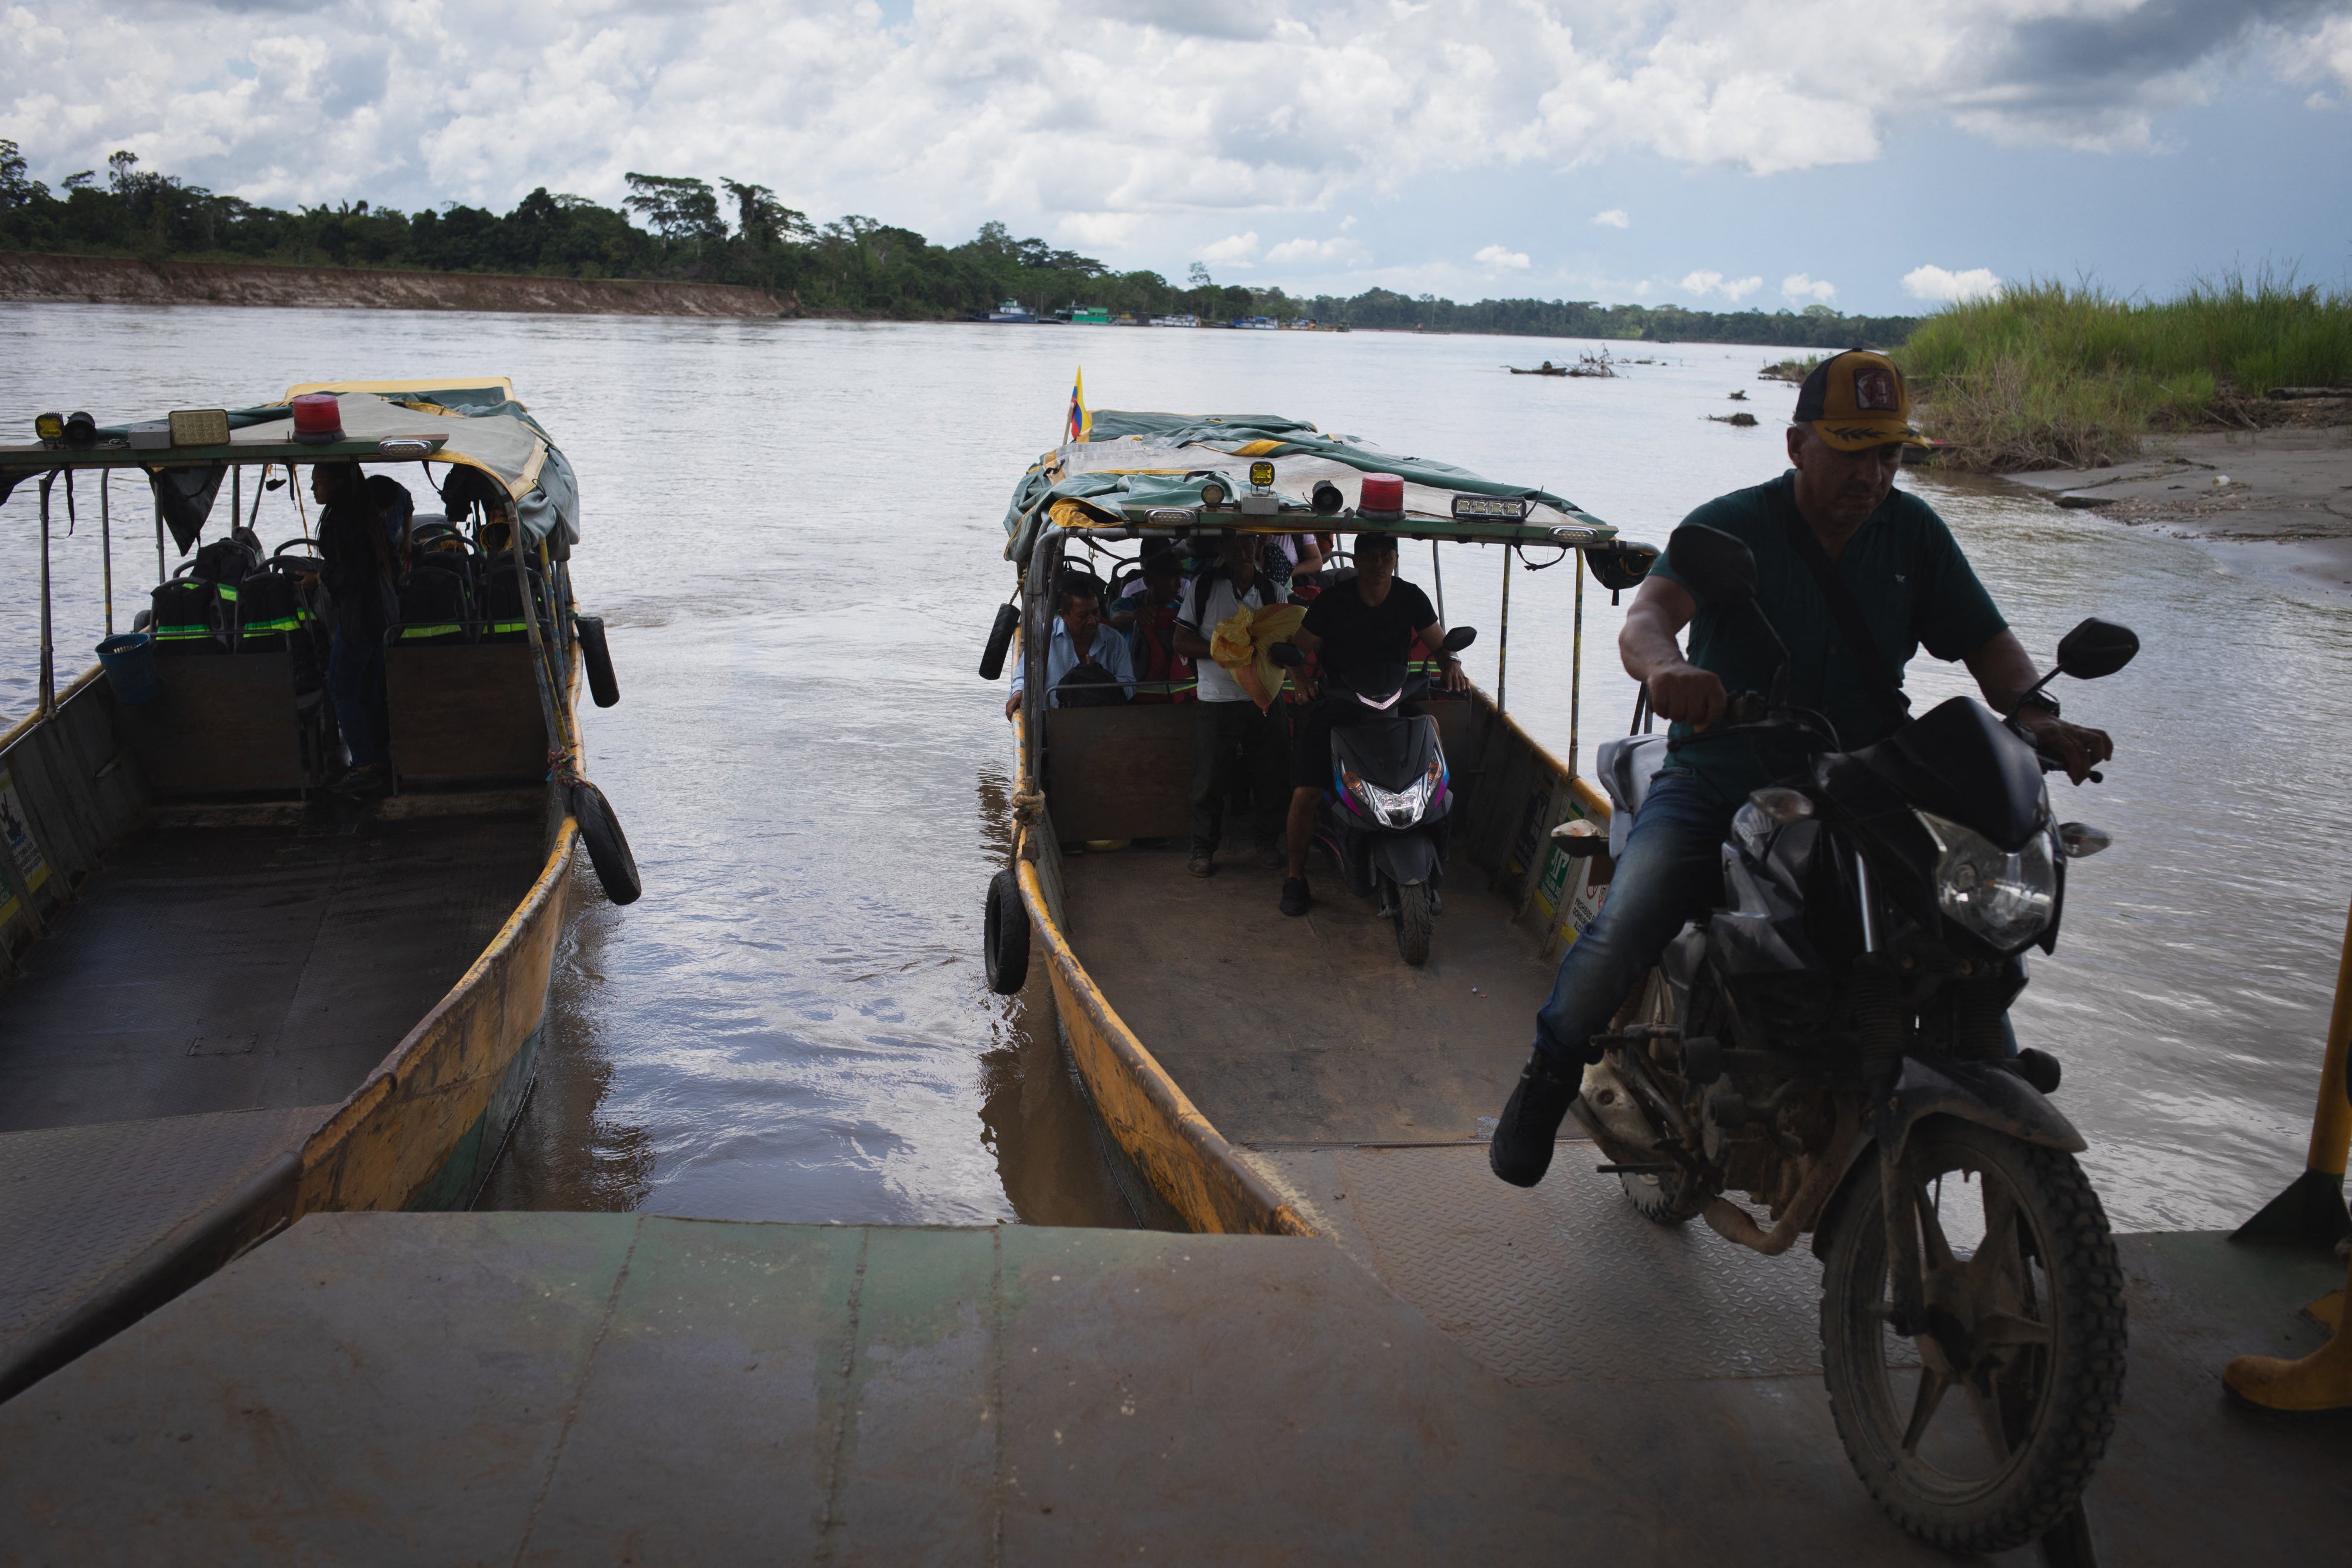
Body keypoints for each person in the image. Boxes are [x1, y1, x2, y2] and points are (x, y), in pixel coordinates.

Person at [1487, 349, 2116, 1187]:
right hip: (1719, 769)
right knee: (1627, 921)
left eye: (1888, 453)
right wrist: (1663, 670)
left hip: (1863, 776)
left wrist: (2038, 715)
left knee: (1962, 930)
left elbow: (1986, 644)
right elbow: (1648, 613)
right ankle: (1548, 1072)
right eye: (1852, 449)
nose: (1872, 472)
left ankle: (1988, 1107)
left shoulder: (1913, 532)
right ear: (1795, 445)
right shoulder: (1729, 525)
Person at [1279, 531, 1467, 916]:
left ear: (1395, 559)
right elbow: (1294, 651)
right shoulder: (1332, 603)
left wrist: (1453, 664)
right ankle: (1295, 878)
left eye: (1386, 556)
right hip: (1340, 703)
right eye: (1371, 557)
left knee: (1433, 744)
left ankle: (1434, 853)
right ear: (1358, 561)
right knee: (1305, 794)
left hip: (1396, 700)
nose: (1379, 564)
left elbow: (1439, 645)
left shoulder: (1410, 596)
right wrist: (1300, 682)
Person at [1173, 533, 1290, 877]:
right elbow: (1180, 639)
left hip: (1266, 697)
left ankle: (1267, 843)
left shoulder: (1273, 591)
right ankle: (1202, 849)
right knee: (1209, 779)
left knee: (1272, 774)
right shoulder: (1204, 586)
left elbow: (1284, 642)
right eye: (1236, 546)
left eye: (1249, 545)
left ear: (1258, 549)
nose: (1243, 552)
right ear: (1222, 550)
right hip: (1217, 698)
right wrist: (1222, 648)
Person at [311, 463, 399, 795]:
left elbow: (351, 574)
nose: (313, 489)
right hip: (378, 617)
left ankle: (363, 764)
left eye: (318, 482)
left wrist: (320, 578)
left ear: (336, 483)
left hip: (360, 619)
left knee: (341, 688)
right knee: (366, 689)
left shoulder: (342, 520)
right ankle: (378, 756)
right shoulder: (366, 516)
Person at [1005, 574, 1136, 717]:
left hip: (1103, 719)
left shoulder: (1114, 640)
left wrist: (1101, 678)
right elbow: (1023, 677)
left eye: (1096, 612)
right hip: (1051, 719)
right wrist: (1018, 692)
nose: (1092, 621)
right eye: (1083, 616)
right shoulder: (1044, 636)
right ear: (1064, 616)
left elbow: (1130, 687)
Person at [1120, 548, 1195, 703]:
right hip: (1136, 694)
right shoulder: (1128, 603)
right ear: (1149, 581)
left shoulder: (1182, 609)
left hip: (1178, 696)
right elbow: (1115, 617)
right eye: (1172, 578)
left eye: (1180, 578)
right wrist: (1135, 615)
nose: (1179, 584)